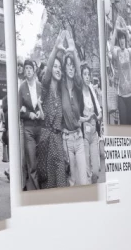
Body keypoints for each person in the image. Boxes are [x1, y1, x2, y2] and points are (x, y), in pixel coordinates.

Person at [37, 38, 67, 189]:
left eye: (59, 67)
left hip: (58, 139)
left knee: (61, 180)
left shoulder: (62, 93)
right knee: (49, 182)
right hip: (46, 140)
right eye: (55, 66)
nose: (57, 69)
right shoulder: (45, 88)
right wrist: (56, 48)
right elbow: (48, 70)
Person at [59, 33, 88, 186]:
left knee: (83, 182)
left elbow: (78, 70)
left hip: (79, 137)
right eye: (68, 65)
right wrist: (60, 47)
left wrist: (73, 49)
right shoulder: (61, 86)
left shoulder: (77, 87)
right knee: (72, 182)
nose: (70, 68)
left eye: (72, 65)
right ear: (64, 68)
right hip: (67, 140)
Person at [18, 58, 42, 190]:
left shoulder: (39, 86)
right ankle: (36, 190)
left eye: (30, 68)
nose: (28, 71)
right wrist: (28, 114)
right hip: (28, 129)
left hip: (40, 127)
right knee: (32, 162)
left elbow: (43, 104)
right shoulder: (22, 87)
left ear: (34, 70)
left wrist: (39, 111)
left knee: (41, 160)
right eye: (26, 68)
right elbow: (18, 109)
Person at [111, 17, 131, 125]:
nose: (121, 41)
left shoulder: (129, 52)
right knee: (123, 124)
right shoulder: (117, 53)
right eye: (120, 39)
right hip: (121, 96)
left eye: (123, 38)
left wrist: (126, 31)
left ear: (126, 40)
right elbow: (111, 48)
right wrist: (116, 30)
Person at [80, 63, 103, 183]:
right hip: (84, 135)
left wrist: (97, 116)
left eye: (88, 74)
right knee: (87, 170)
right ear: (81, 76)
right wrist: (85, 118)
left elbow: (100, 111)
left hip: (94, 134)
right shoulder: (79, 93)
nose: (87, 77)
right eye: (85, 74)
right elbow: (76, 116)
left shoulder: (92, 91)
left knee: (96, 170)